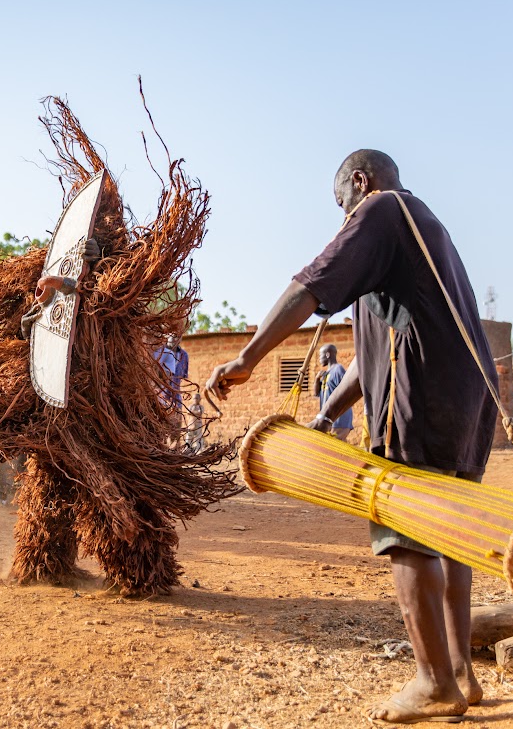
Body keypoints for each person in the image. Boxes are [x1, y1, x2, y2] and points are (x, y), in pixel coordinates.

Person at [207, 150, 496, 724]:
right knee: (449, 528)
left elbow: (308, 286)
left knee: (405, 526)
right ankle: (462, 670)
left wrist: (246, 358)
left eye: (341, 205)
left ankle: (434, 682)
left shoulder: (383, 210)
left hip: (422, 393)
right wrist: (322, 419)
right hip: (466, 397)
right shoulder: (423, 228)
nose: (343, 219)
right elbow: (370, 361)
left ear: (359, 182)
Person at [315, 343, 354, 441]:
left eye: (321, 355)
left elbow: (346, 391)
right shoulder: (326, 373)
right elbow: (316, 394)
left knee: (334, 449)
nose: (319, 358)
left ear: (327, 355)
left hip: (339, 420)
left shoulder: (338, 370)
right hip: (328, 420)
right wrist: (316, 379)